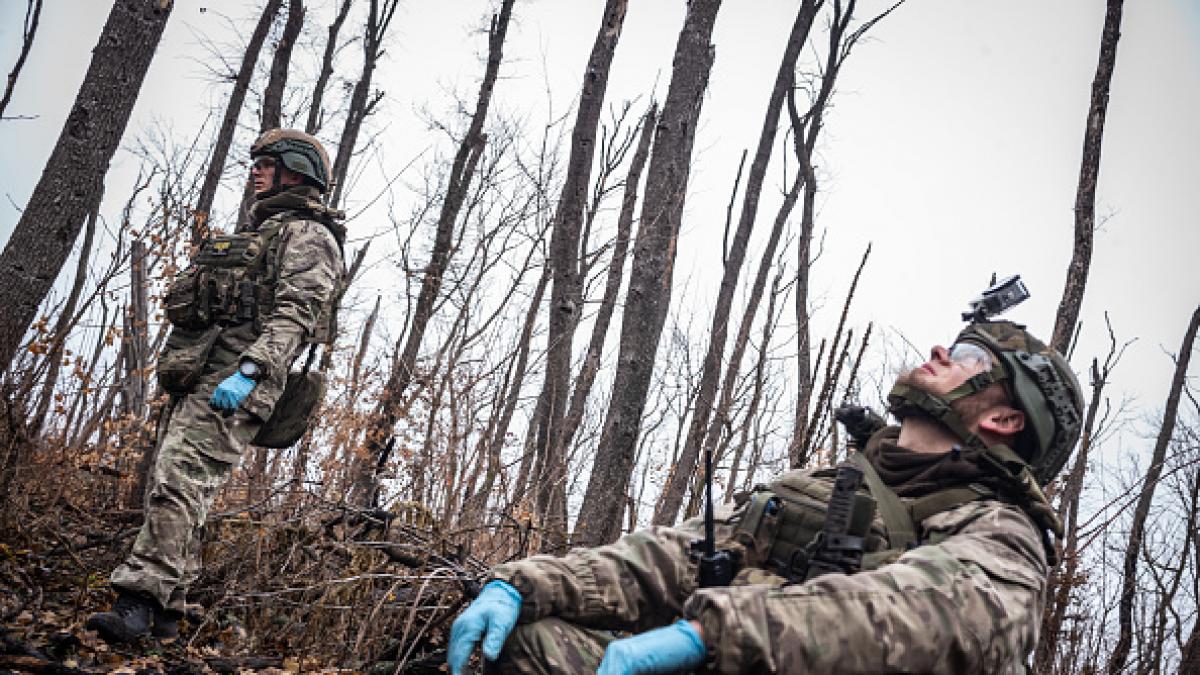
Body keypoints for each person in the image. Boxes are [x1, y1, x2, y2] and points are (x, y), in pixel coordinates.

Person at [448, 318, 1083, 674]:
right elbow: (681, 553)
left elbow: (927, 618)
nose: (943, 348)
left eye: (971, 358)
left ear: (1004, 420)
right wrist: (525, 584)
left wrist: (710, 634)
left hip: (731, 654)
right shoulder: (824, 487)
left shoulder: (1002, 536)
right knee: (530, 645)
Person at [87, 129, 347, 643]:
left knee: (178, 480)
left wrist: (250, 371)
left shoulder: (309, 236)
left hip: (239, 381)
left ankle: (139, 600)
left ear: (296, 171)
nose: (255, 171)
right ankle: (167, 611)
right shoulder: (266, 232)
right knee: (185, 487)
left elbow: (296, 315)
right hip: (207, 375)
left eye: (267, 163)